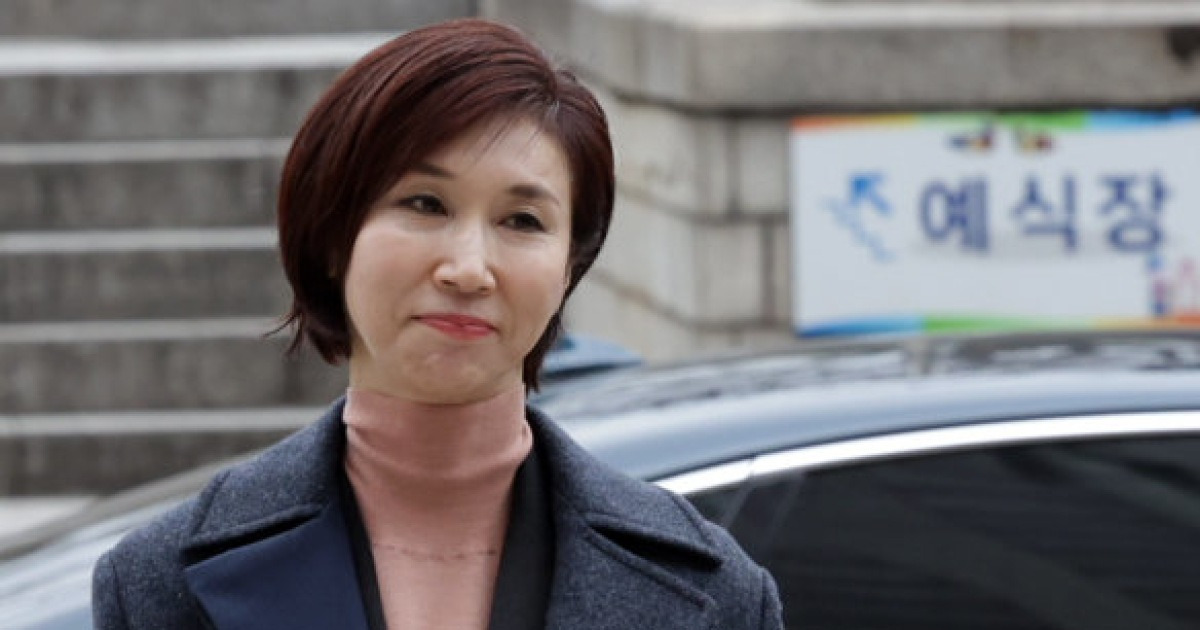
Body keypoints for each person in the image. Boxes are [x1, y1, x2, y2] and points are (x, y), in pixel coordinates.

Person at [91, 18, 783, 630]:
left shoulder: (716, 591)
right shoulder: (159, 585)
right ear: (334, 236)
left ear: (569, 268)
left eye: (522, 220)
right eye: (425, 204)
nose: (469, 269)